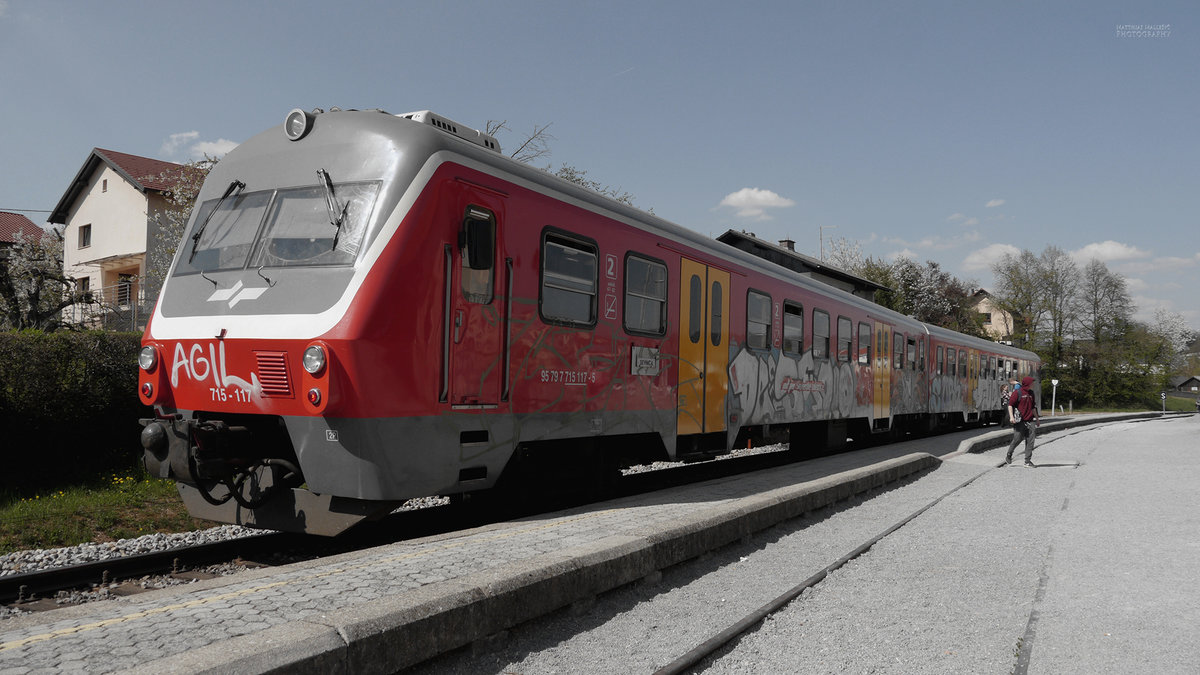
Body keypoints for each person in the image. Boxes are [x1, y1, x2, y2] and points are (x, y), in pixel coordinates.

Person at [1004, 376, 1039, 466]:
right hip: (1020, 420)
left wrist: (1037, 419)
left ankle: (1027, 461)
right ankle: (1009, 454)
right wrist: (1011, 417)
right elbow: (1010, 405)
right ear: (1028, 384)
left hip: (1030, 420)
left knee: (1030, 441)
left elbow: (1033, 407)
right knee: (1017, 439)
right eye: (1032, 383)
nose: (1033, 384)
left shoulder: (1031, 393)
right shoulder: (1018, 392)